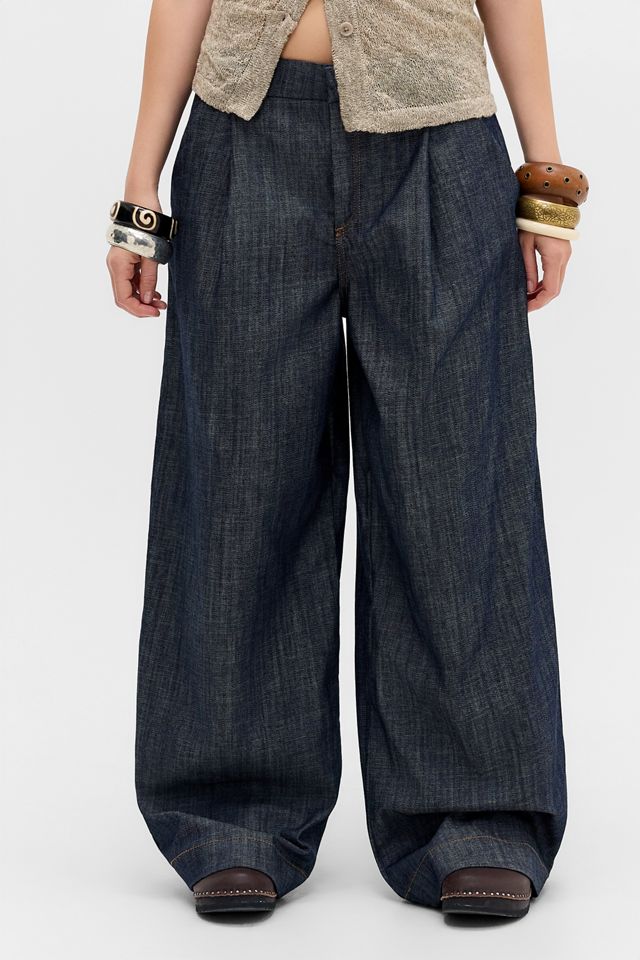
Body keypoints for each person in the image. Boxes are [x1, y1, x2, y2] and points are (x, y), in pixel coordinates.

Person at [106, 0, 588, 921]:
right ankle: (232, 817)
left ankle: (478, 817)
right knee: (240, 480)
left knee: (453, 484)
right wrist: (141, 182)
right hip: (243, 137)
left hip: (438, 142)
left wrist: (546, 180)